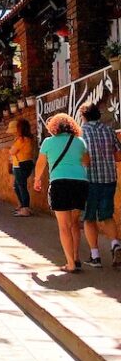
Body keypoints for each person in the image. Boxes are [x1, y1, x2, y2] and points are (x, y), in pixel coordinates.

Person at [33, 113, 91, 273]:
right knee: (74, 223)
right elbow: (86, 161)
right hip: (80, 183)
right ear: (72, 126)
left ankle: (70, 264)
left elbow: (40, 164)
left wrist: (37, 180)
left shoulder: (48, 142)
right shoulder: (80, 141)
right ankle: (76, 257)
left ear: (53, 127)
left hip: (60, 183)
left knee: (64, 226)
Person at [79, 102, 121, 268]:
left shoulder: (82, 133)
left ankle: (95, 256)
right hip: (109, 179)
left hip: (89, 180)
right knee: (107, 215)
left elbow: (81, 157)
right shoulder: (109, 130)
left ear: (83, 116)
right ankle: (115, 245)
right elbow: (118, 156)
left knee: (89, 218)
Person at [10, 118, 35, 216]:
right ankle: (23, 206)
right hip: (27, 163)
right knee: (18, 186)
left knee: (21, 186)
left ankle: (25, 208)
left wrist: (12, 148)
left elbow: (12, 151)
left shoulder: (21, 139)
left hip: (19, 165)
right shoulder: (29, 139)